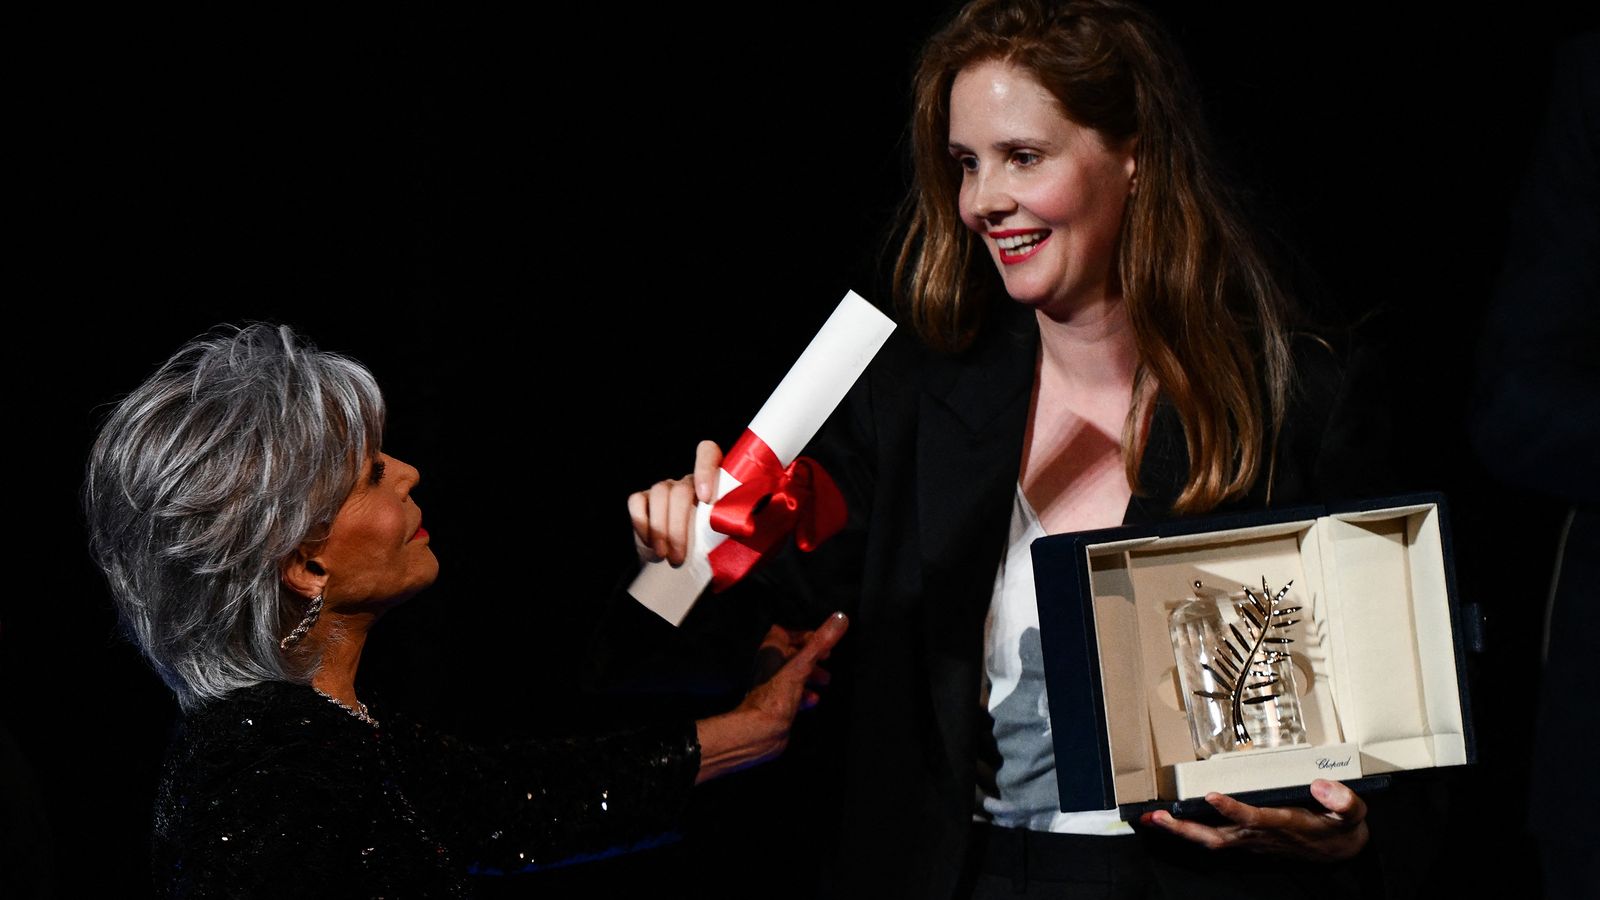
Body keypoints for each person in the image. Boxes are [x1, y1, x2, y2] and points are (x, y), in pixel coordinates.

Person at [631, 1, 1389, 896]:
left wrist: (1354, 832)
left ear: (1135, 156)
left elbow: (1397, 723)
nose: (982, 200)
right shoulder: (906, 399)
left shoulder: (1291, 398)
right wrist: (678, 554)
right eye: (966, 163)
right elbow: (725, 643)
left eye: (1023, 156)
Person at [83, 323, 847, 898]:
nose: (410, 473)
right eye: (372, 474)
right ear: (306, 565)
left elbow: (527, 801)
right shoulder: (266, 784)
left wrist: (754, 723)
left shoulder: (323, 734)